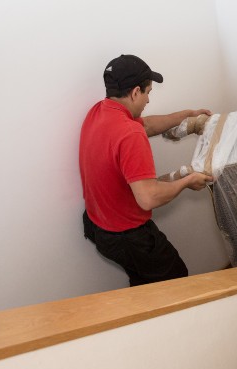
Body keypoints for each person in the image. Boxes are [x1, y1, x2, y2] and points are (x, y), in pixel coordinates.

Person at [79, 54, 213, 286]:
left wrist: (187, 115)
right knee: (176, 279)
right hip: (126, 236)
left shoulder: (100, 112)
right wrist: (187, 182)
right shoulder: (130, 134)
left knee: (142, 280)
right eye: (148, 93)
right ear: (134, 92)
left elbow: (148, 124)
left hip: (97, 226)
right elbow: (148, 198)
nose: (148, 100)